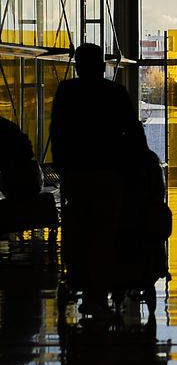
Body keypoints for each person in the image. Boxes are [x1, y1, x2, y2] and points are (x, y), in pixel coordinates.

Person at [50, 43, 142, 317]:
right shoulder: (114, 93)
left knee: (79, 226)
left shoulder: (67, 92)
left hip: (77, 172)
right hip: (109, 172)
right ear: (102, 66)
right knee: (106, 229)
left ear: (77, 66)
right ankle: (100, 287)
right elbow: (131, 130)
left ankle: (82, 277)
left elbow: (58, 130)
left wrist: (63, 165)